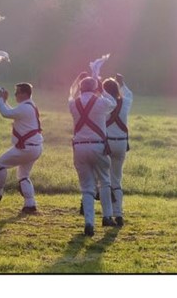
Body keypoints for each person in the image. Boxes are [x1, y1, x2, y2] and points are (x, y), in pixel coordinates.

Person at [68, 72, 118, 236]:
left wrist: (78, 81)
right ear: (95, 88)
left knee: (86, 188)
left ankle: (89, 223)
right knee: (104, 181)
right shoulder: (101, 102)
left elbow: (71, 94)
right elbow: (113, 102)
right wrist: (101, 87)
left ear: (81, 88)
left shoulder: (73, 104)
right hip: (98, 146)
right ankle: (107, 217)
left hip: (79, 147)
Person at [0, 82, 43, 215]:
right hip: (34, 148)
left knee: (0, 163)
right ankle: (30, 204)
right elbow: (13, 112)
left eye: (17, 93)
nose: (15, 95)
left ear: (24, 94)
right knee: (23, 175)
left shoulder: (25, 108)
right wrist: (4, 101)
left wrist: (0, 99)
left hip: (26, 148)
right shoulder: (28, 106)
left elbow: (5, 113)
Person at [104, 74, 134, 227]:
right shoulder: (126, 102)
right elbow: (129, 94)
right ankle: (119, 214)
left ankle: (108, 214)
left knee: (104, 180)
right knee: (117, 180)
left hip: (107, 144)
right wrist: (122, 83)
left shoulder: (103, 103)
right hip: (121, 144)